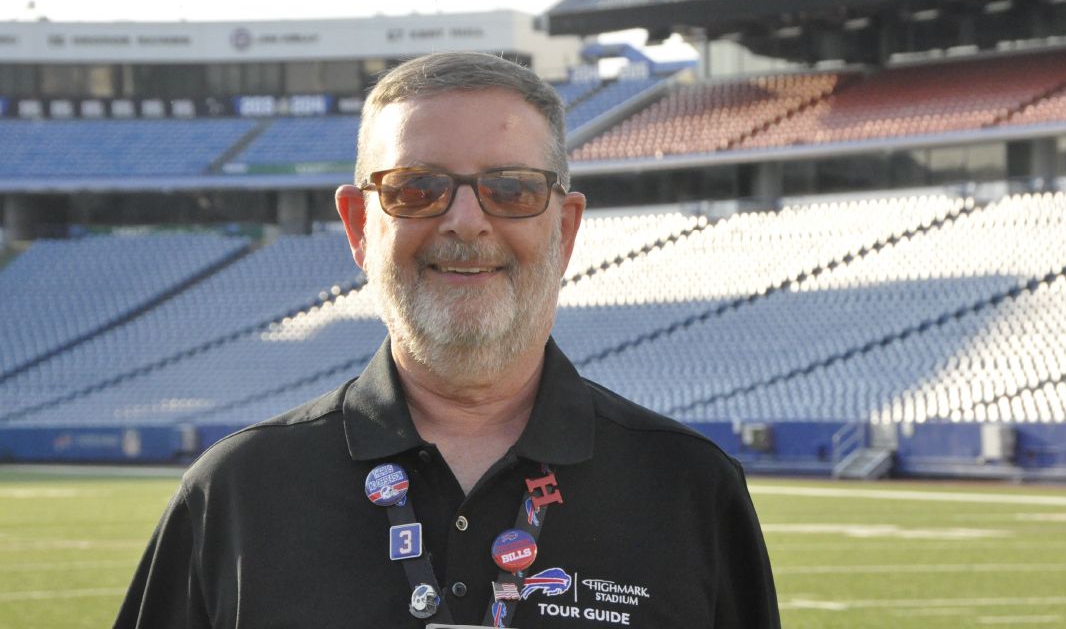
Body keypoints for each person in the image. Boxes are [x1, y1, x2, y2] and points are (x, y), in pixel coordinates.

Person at [115, 51, 780, 628]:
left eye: (513, 189)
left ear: (566, 229)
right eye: (416, 189)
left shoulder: (689, 488)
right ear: (357, 226)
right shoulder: (235, 492)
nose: (466, 222)